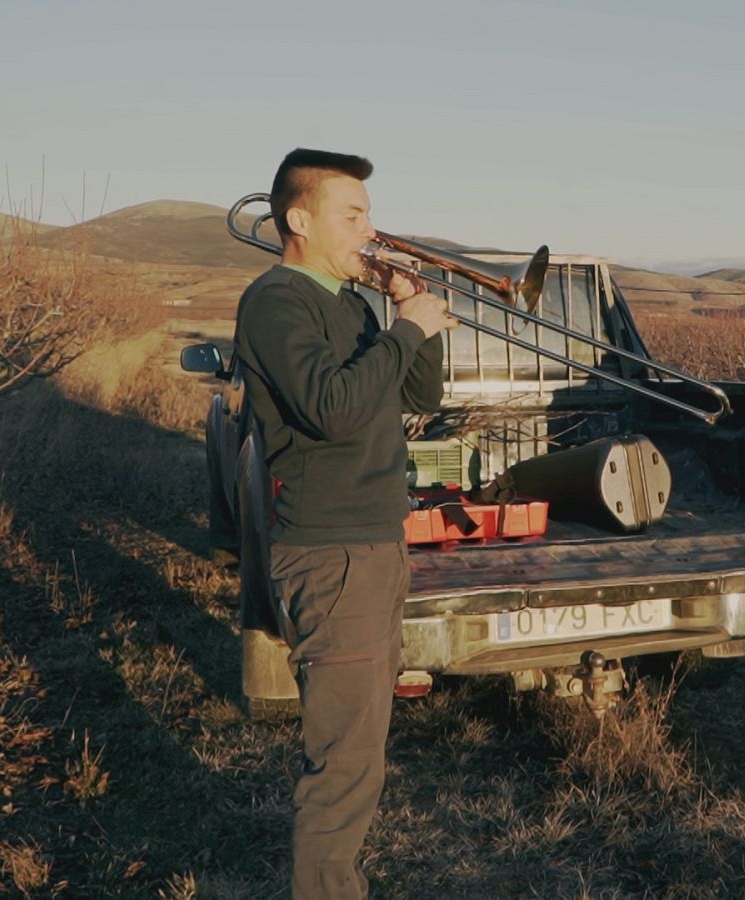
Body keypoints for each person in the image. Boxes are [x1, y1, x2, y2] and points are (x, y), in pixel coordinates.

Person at [233, 148, 457, 898]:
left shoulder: (350, 304)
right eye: (352, 214)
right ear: (299, 219)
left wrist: (408, 322)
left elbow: (412, 398)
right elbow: (331, 408)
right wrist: (403, 335)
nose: (370, 228)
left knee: (362, 751)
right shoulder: (275, 302)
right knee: (343, 766)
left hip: (375, 541)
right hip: (330, 554)